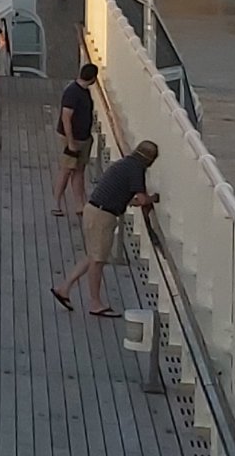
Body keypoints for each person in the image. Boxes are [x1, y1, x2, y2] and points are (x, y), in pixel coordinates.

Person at [54, 140, 160, 317]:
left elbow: (122, 194)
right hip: (103, 216)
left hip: (92, 209)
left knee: (91, 256)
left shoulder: (124, 164)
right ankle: (95, 303)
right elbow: (142, 199)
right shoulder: (137, 169)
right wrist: (154, 198)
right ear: (150, 159)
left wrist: (132, 201)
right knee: (98, 261)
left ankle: (64, 288)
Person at [53, 64, 101, 217]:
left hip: (83, 138)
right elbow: (66, 117)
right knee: (66, 170)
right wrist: (71, 142)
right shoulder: (73, 92)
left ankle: (80, 205)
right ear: (93, 78)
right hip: (73, 139)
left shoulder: (81, 91)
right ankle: (56, 203)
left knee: (79, 170)